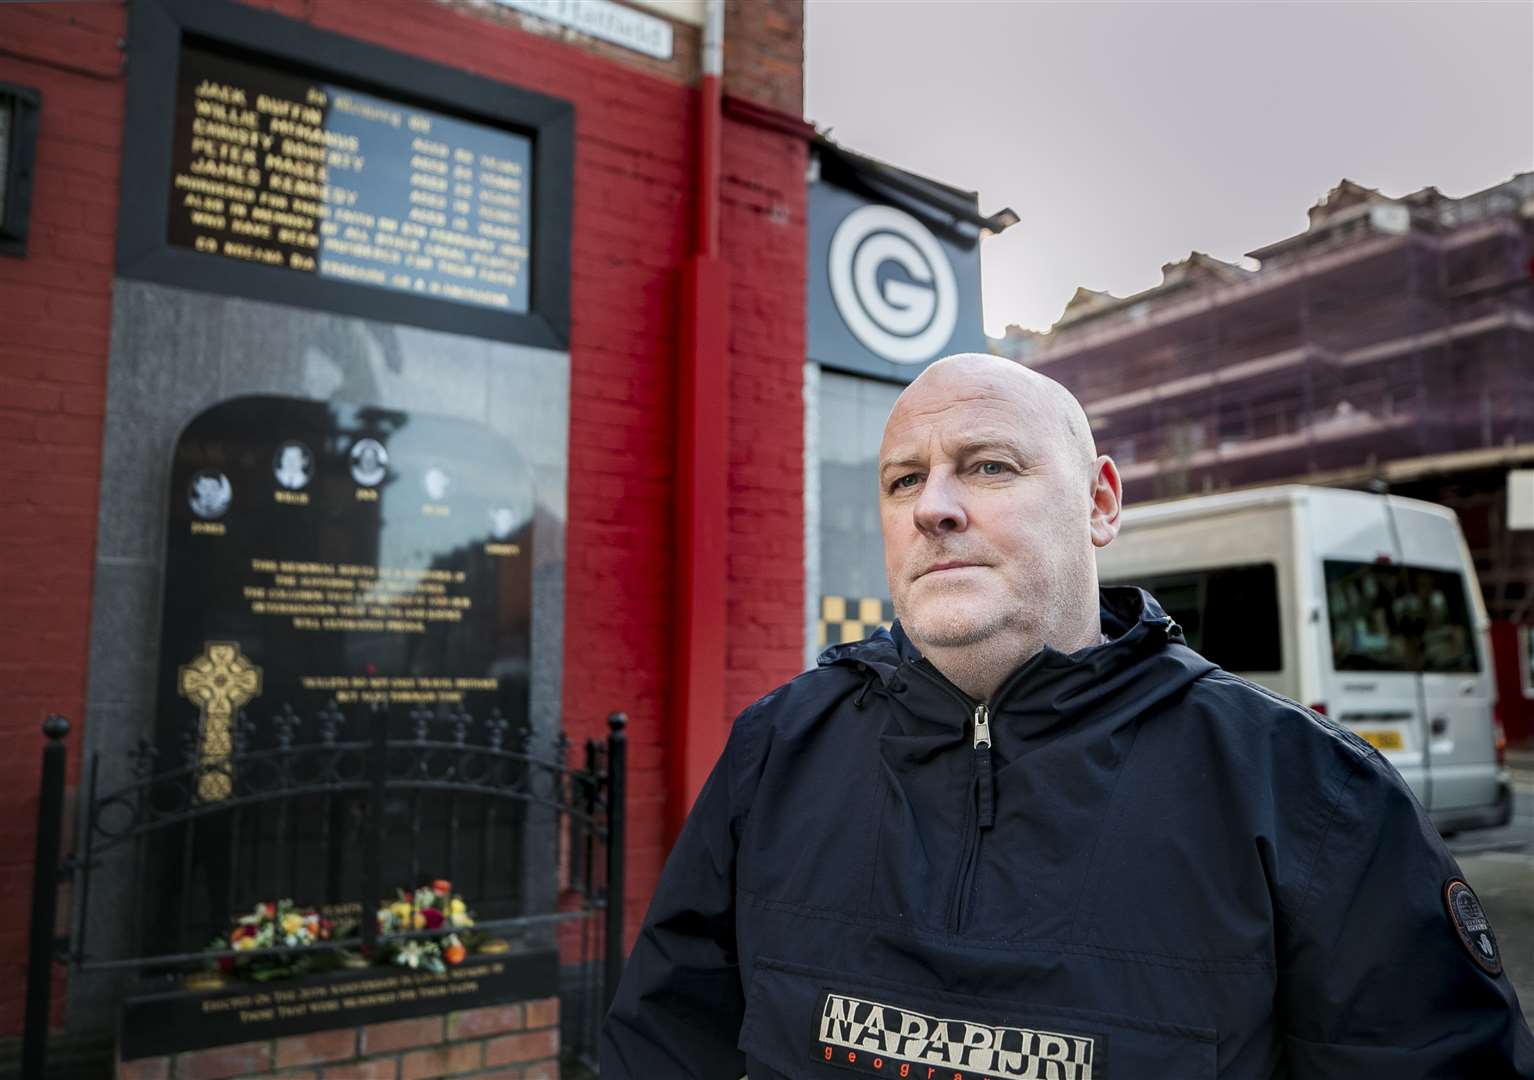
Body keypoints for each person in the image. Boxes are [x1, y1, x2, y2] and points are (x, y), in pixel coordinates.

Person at [601, 353, 1534, 1078]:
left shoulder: (1308, 794)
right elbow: (661, 1045)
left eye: (988, 466)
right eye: (901, 480)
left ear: (1100, 502)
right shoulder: (778, 752)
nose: (934, 507)